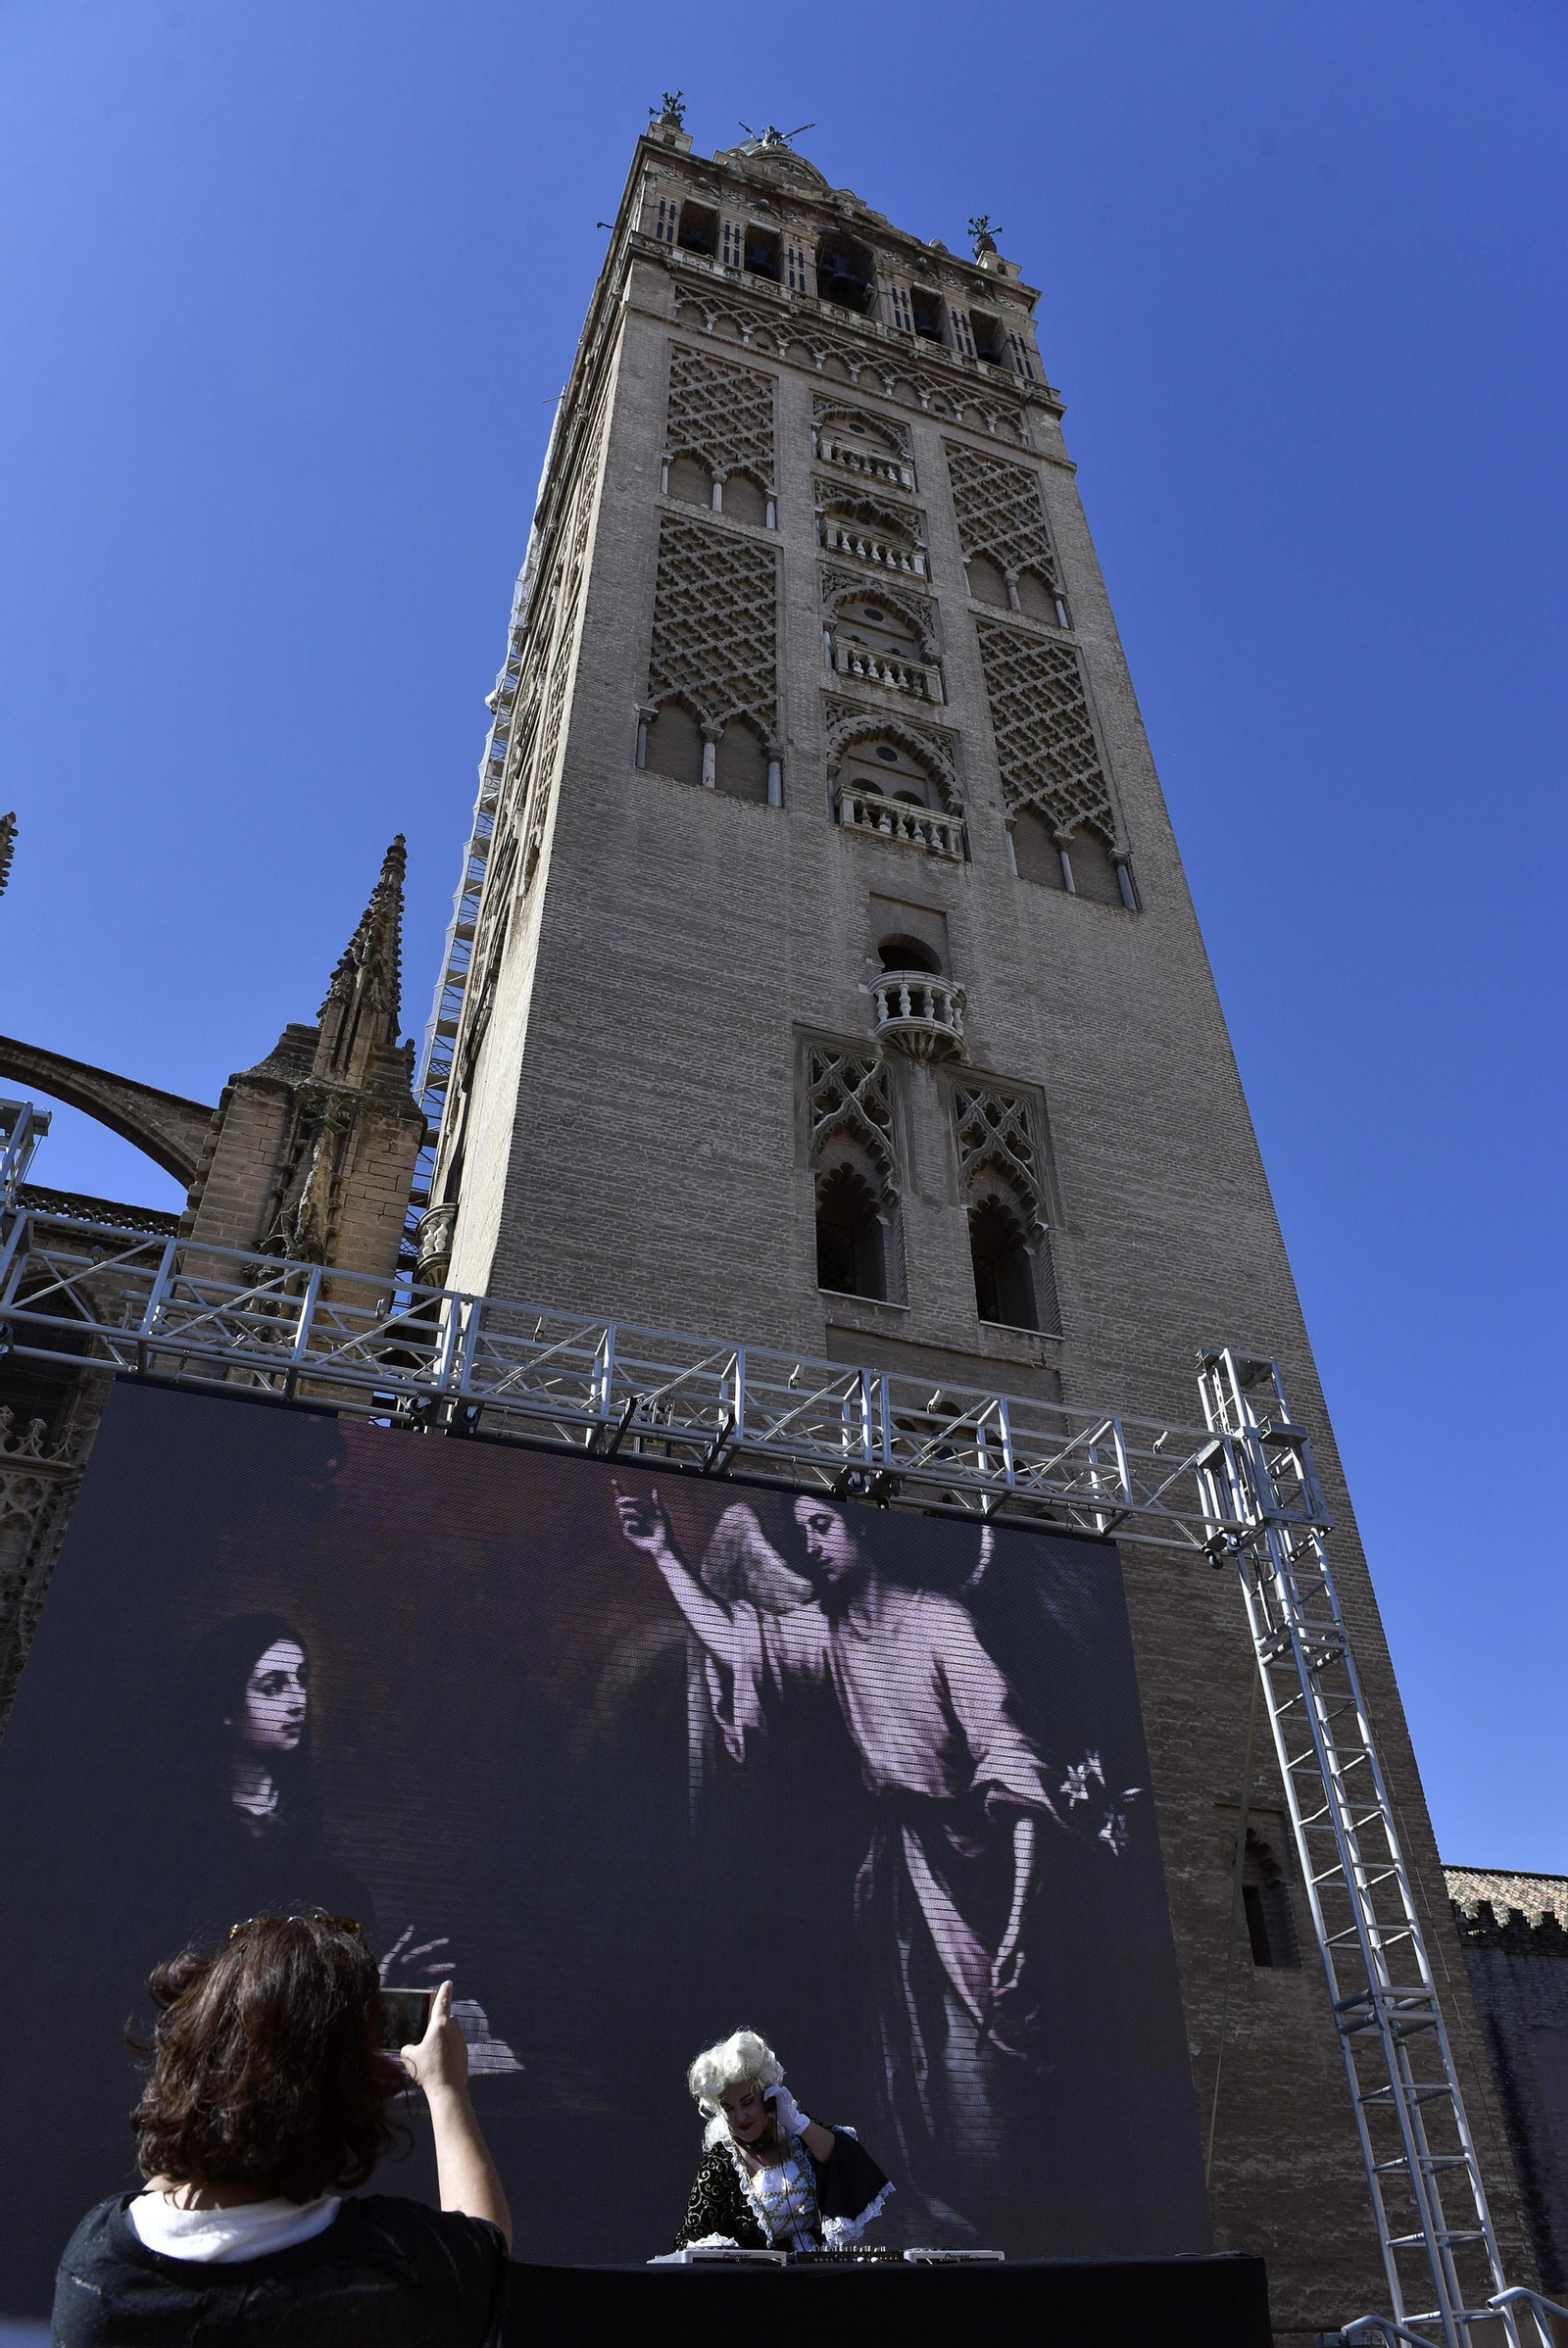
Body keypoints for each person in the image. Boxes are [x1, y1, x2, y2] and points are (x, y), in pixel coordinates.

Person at [614, 1483, 1110, 2241]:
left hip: (972, 1870)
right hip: (896, 1876)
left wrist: (1015, 1918)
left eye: (823, 1525)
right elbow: (740, 1641)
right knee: (909, 2064)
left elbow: (1008, 1755)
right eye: (801, 1530)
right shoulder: (831, 1632)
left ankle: (1015, 2228)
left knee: (987, 2062)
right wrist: (665, 1557)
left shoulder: (938, 1622)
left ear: (867, 1533)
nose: (809, 1544)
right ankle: (937, 2224)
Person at [51, 1913, 512, 2346]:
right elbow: (486, 2258)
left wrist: (207, 2095)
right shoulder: (376, 2268)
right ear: (344, 2090)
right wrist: (447, 2088)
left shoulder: (96, 2266)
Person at [670, 2029, 891, 2253]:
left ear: (767, 2096)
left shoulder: (797, 2135)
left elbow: (840, 2156)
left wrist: (798, 2123)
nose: (740, 2117)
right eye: (728, 2108)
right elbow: (692, 2236)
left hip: (819, 2272)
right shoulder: (720, 2161)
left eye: (747, 2102)